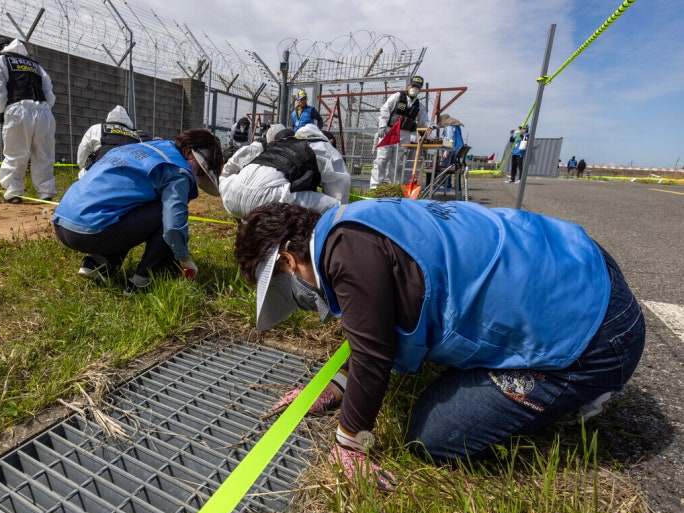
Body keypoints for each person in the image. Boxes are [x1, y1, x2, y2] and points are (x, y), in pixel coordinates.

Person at [234, 199, 645, 489]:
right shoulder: (352, 224)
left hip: (597, 335)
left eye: (286, 287)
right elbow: (376, 330)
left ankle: (575, 390)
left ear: (288, 262)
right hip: (578, 261)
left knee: (433, 438)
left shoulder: (346, 258)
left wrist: (349, 444)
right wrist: (339, 384)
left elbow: (375, 355)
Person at [52, 129, 223, 293]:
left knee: (132, 203)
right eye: (200, 171)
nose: (198, 177)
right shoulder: (176, 169)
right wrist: (184, 259)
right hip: (92, 232)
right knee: (165, 212)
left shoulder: (144, 148)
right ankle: (143, 281)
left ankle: (98, 264)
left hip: (62, 222)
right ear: (188, 151)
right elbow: (173, 226)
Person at [219, 124, 350, 219]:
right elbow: (339, 196)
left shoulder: (283, 142)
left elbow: (228, 170)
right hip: (266, 203)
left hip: (231, 197)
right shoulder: (326, 148)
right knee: (337, 209)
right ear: (330, 141)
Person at [0, 37, 56, 203]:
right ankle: (46, 192)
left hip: (18, 109)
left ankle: (14, 191)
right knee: (43, 154)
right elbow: (49, 93)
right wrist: (43, 110)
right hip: (44, 112)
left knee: (16, 153)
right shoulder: (37, 66)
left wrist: (1, 109)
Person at [369, 75, 432, 189]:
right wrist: (382, 126)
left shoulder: (419, 106)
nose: (414, 89)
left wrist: (430, 125)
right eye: (413, 86)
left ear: (420, 89)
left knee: (398, 163)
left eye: (417, 87)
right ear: (408, 86)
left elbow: (424, 121)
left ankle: (394, 187)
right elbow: (385, 109)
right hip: (389, 131)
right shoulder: (397, 97)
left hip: (404, 134)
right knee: (382, 160)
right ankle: (374, 187)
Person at [76, 105, 146, 179]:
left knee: (83, 174)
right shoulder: (136, 135)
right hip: (128, 177)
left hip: (100, 174)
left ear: (108, 118)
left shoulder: (96, 128)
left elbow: (83, 150)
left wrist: (83, 166)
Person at [438, 113, 465, 190]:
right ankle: (447, 183)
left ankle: (444, 183)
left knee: (445, 165)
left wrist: (446, 151)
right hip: (458, 149)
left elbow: (449, 139)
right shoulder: (456, 126)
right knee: (450, 165)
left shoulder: (449, 126)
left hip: (452, 149)